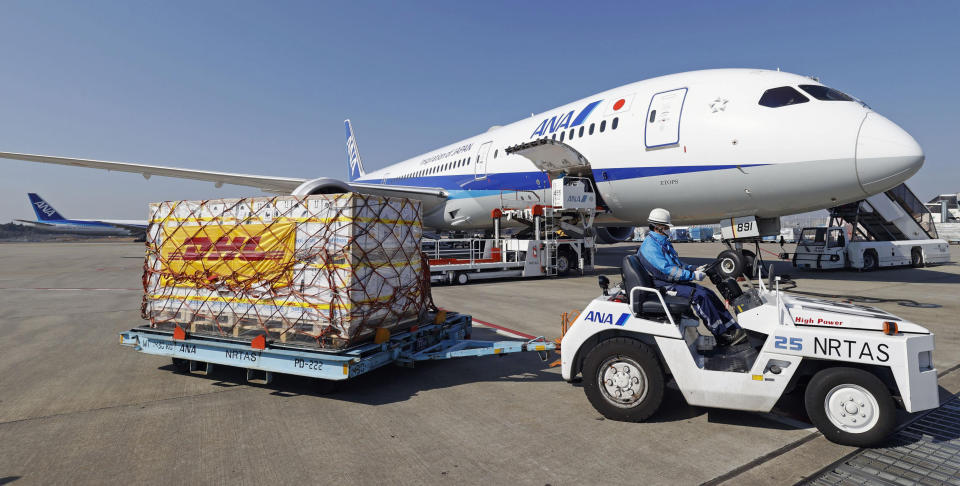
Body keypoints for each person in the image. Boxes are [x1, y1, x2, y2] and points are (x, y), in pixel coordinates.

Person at [637, 208, 747, 346]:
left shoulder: (661, 241)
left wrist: (693, 268)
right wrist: (692, 276)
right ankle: (721, 335)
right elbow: (668, 271)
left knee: (709, 293)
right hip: (663, 285)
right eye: (666, 227)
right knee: (700, 296)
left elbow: (676, 263)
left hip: (671, 282)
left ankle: (732, 328)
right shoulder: (650, 246)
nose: (668, 230)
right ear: (659, 227)